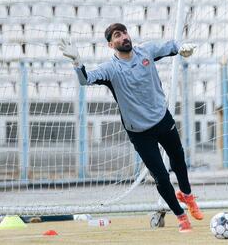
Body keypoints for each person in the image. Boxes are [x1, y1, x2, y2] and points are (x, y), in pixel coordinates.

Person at [59, 23, 203, 232]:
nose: (123, 37)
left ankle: (188, 196)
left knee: (178, 157)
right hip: (139, 131)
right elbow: (85, 80)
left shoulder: (146, 51)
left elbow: (171, 46)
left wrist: (183, 48)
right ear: (111, 45)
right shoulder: (111, 69)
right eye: (117, 35)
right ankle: (181, 217)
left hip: (162, 118)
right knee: (161, 177)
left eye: (124, 32)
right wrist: (77, 62)